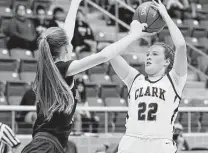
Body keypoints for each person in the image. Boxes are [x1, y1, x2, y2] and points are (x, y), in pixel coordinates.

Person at [21, 0, 152, 152]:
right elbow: (103, 56)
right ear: (65, 47)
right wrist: (134, 35)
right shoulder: (62, 69)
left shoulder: (48, 68)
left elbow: (67, 32)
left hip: (45, 144)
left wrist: (75, 3)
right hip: (46, 146)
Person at [109, 0, 187, 153]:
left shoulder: (174, 80)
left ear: (166, 61)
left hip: (160, 144)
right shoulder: (134, 79)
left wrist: (165, 15)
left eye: (155, 54)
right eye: (148, 54)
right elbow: (111, 55)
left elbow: (181, 46)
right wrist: (133, 35)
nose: (148, 57)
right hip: (131, 142)